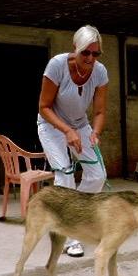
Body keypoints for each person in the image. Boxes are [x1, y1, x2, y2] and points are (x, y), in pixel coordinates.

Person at [37, 25, 108, 257]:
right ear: (75, 47)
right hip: (52, 125)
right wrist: (67, 131)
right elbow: (44, 107)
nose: (90, 58)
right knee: (65, 174)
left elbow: (99, 111)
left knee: (98, 175)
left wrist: (95, 133)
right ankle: (67, 236)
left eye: (95, 54)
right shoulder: (57, 65)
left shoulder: (100, 72)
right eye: (85, 52)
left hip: (80, 125)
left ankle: (73, 214)